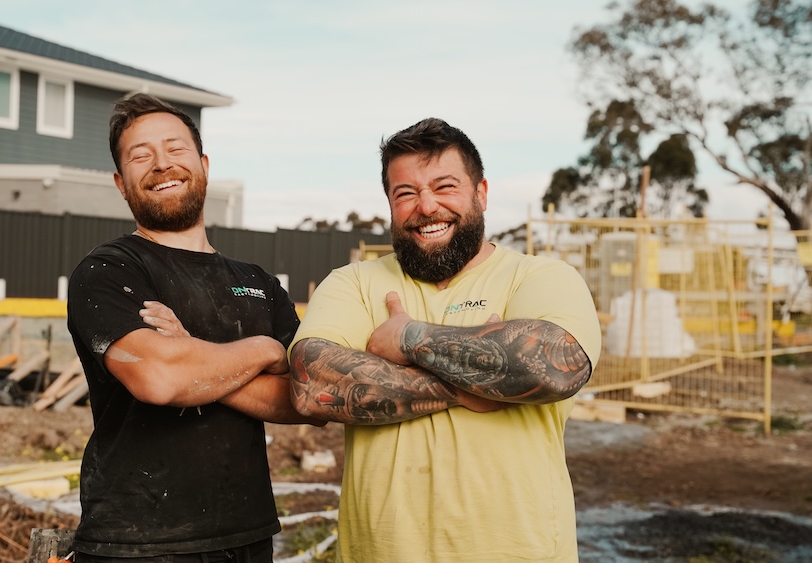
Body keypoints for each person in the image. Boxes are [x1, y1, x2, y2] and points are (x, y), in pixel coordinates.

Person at [289, 118, 602, 561]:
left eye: (445, 186)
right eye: (405, 193)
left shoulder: (541, 277)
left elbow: (554, 366)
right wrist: (474, 381)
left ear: (481, 193)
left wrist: (409, 338)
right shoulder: (352, 283)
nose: (426, 205)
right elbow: (310, 382)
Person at [67, 93, 320, 563]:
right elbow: (159, 379)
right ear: (121, 183)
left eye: (175, 149)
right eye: (141, 155)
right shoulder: (109, 271)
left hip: (247, 538)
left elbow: (306, 398)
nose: (162, 164)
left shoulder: (259, 283)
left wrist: (191, 355)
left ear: (203, 165)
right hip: (137, 544)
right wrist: (265, 350)